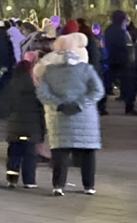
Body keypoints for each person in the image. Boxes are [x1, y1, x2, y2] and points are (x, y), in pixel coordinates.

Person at [37, 32, 105, 195]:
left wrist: (59, 103)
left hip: (59, 116)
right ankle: (89, 185)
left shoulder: (48, 70)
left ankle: (58, 185)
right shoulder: (86, 69)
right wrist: (81, 104)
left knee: (60, 152)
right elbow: (98, 90)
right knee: (88, 152)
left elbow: (42, 93)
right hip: (84, 115)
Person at [3, 59, 44, 189]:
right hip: (31, 129)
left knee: (13, 154)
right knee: (30, 155)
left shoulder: (10, 88)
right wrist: (43, 130)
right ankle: (29, 180)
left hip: (14, 129)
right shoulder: (35, 89)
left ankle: (12, 179)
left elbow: (4, 108)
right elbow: (41, 111)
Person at [101, 10, 134, 115]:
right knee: (128, 84)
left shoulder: (109, 30)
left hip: (111, 60)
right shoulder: (120, 31)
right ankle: (129, 106)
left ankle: (101, 106)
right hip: (122, 61)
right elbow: (124, 46)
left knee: (107, 84)